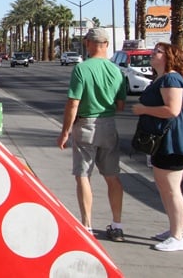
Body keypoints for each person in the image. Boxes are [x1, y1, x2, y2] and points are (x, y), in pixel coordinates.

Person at [132, 43, 183, 252]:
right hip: (164, 141)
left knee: (172, 189)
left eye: (158, 51)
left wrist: (144, 109)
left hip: (174, 141)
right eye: (154, 51)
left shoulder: (171, 78)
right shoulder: (162, 79)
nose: (153, 54)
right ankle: (174, 228)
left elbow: (172, 110)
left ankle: (178, 236)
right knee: (164, 187)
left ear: (169, 57)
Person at [56, 28, 126, 242]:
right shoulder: (117, 71)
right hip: (108, 125)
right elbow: (120, 105)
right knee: (112, 176)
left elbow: (73, 103)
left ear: (88, 43)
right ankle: (117, 225)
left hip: (86, 125)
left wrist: (65, 131)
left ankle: (87, 225)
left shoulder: (81, 69)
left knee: (83, 175)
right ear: (106, 44)